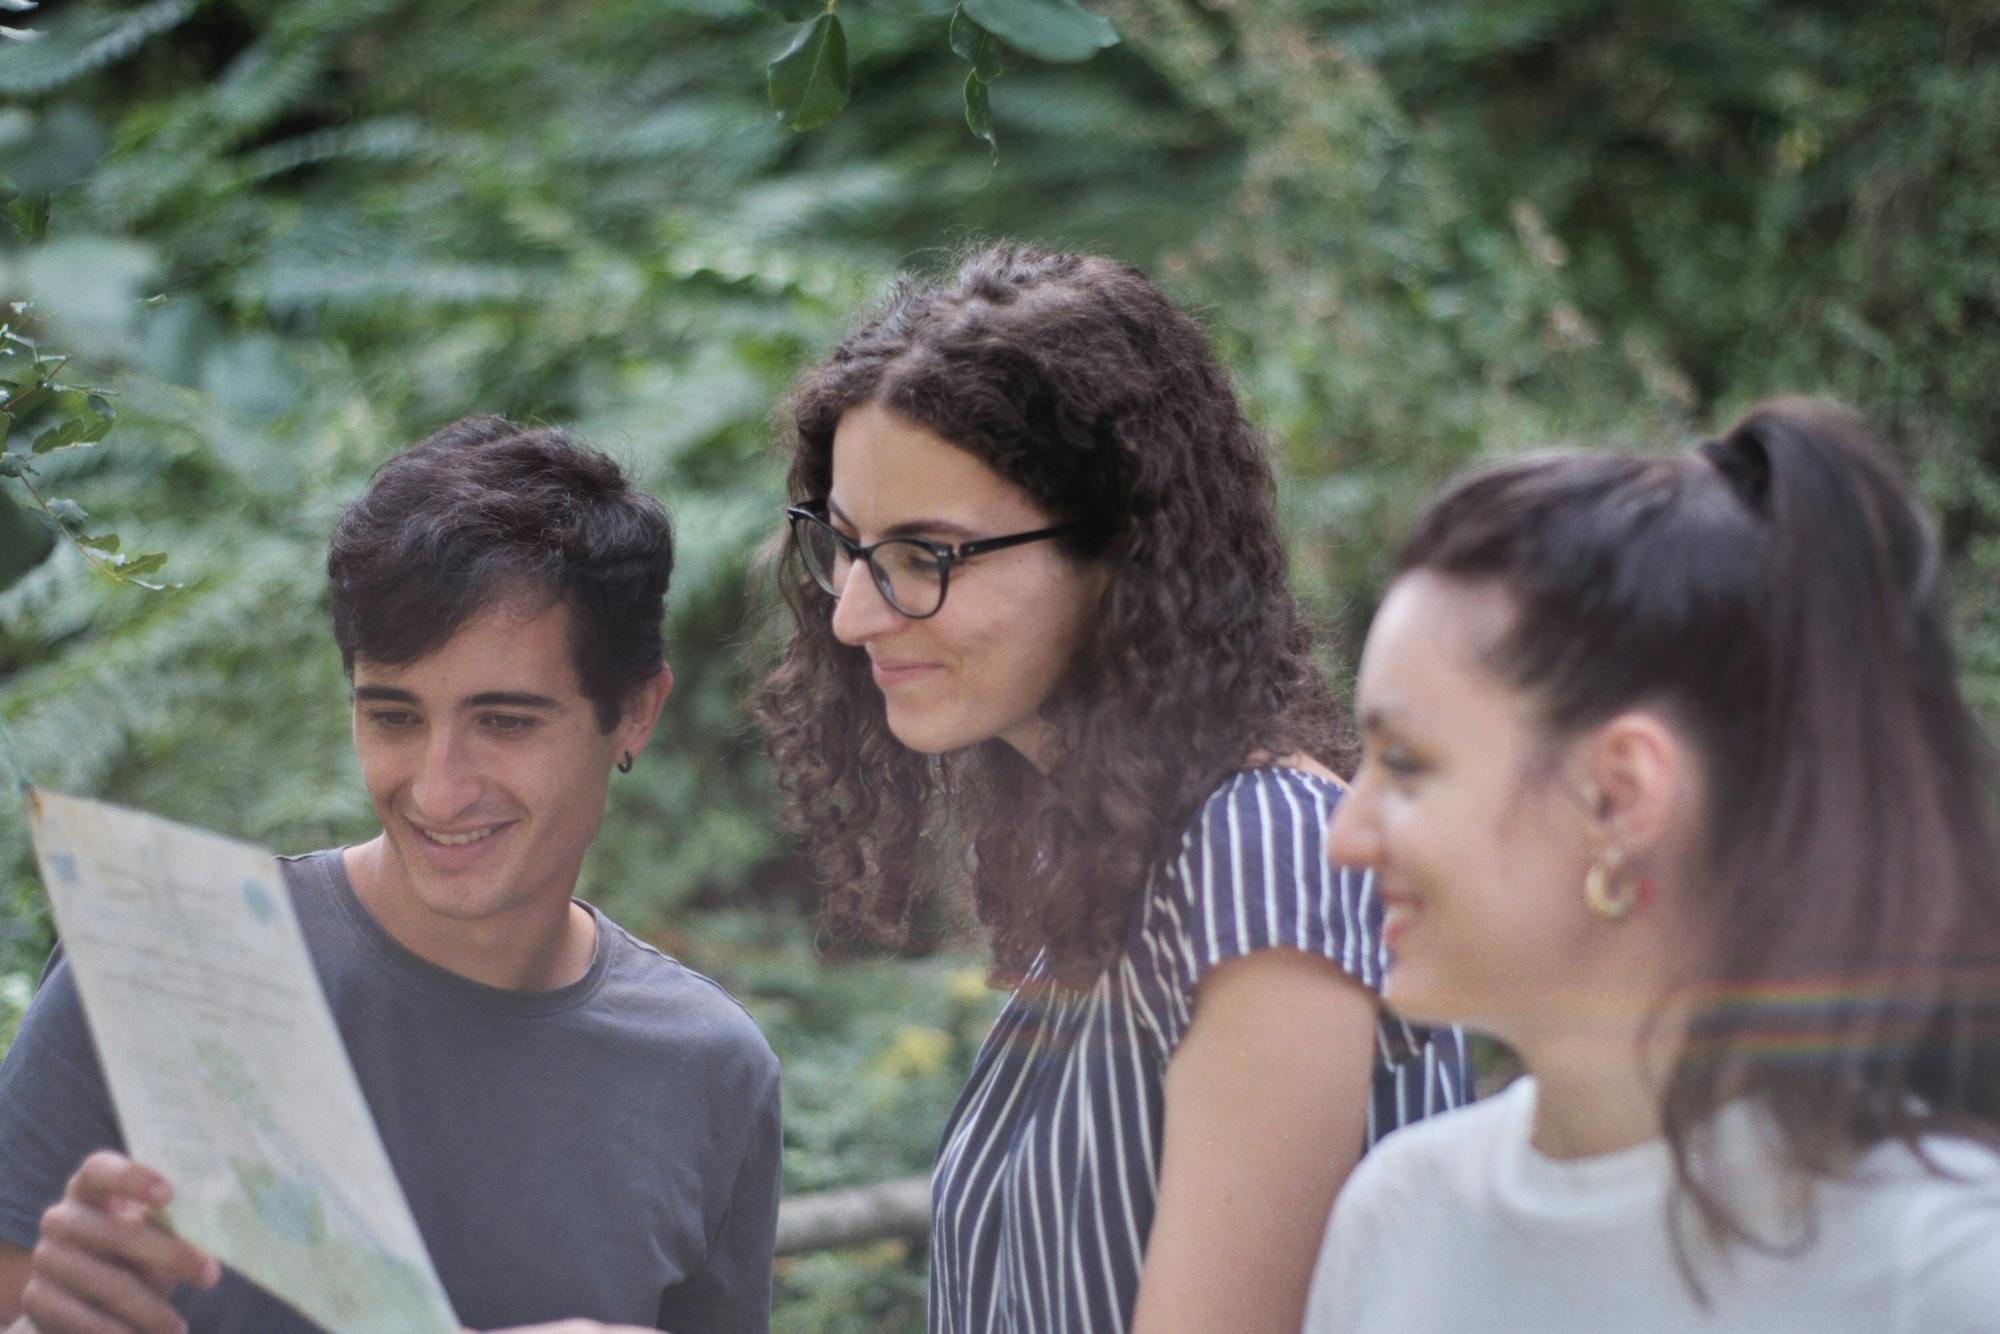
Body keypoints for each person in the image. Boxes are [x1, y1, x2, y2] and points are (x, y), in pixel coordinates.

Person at [753, 244, 1471, 1334]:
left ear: (1122, 551)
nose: (853, 613)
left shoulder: (1264, 857)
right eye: (845, 547)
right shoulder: (1119, 855)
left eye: (926, 553)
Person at [0, 418, 782, 1333]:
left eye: (506, 722)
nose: (440, 791)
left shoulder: (708, 1073)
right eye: (396, 718)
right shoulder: (162, 966)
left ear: (636, 711)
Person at [1303, 399, 2000, 1331]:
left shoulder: (1941, 1273)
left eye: (1406, 764)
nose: (1342, 836)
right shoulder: (1399, 1217)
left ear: (1619, 797)